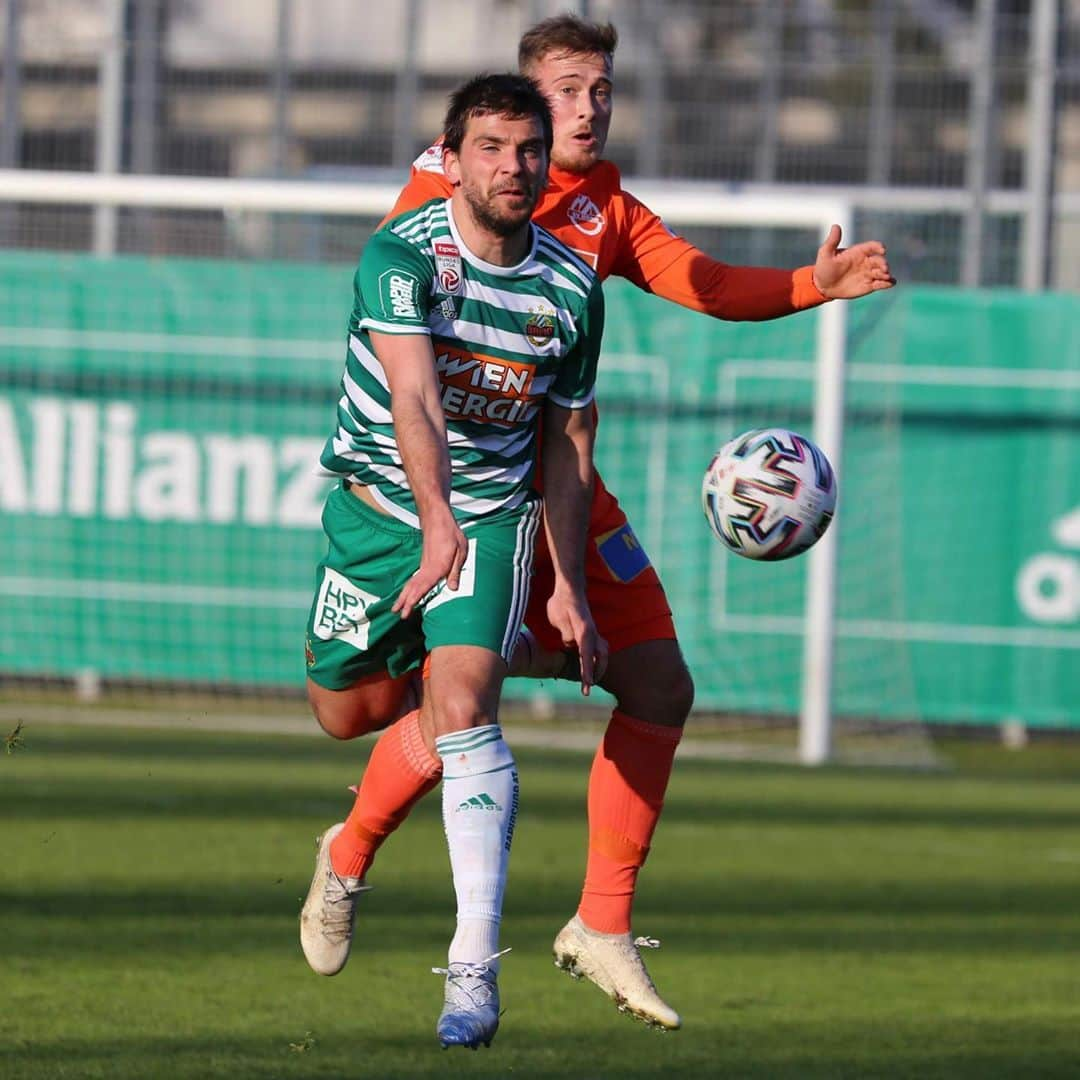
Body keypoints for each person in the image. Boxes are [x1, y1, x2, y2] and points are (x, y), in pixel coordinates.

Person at [303, 15, 895, 1033]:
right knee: (358, 713)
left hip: (539, 489)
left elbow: (699, 285)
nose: (587, 107)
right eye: (567, 89)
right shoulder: (445, 202)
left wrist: (812, 285)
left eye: (600, 89)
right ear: (514, 109)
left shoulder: (606, 214)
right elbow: (416, 370)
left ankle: (597, 925)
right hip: (429, 489)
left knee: (656, 680)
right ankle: (350, 848)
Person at [299, 71, 605, 1051]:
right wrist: (430, 521)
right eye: (491, 147)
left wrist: (570, 584)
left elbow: (568, 447)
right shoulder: (403, 257)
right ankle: (344, 852)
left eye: (527, 149)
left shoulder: (571, 288)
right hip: (380, 516)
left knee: (466, 707)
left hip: (490, 521)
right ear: (453, 154)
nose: (513, 167)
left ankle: (472, 970)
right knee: (344, 714)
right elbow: (415, 402)